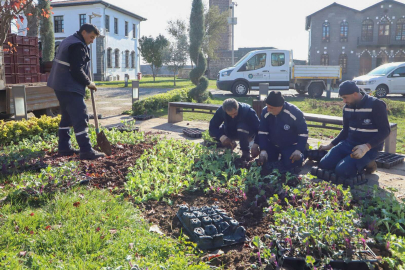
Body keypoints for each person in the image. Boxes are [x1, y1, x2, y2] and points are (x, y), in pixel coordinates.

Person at [47, 24, 105, 160]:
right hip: (69, 86)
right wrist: (89, 83)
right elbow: (76, 70)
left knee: (66, 117)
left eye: (94, 38)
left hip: (59, 85)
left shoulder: (69, 40)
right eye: (91, 37)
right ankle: (86, 150)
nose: (92, 40)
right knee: (80, 116)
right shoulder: (77, 45)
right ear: (83, 32)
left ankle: (64, 147)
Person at [318, 81, 390, 178]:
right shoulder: (347, 108)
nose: (344, 101)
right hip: (348, 144)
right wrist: (330, 145)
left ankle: (368, 163)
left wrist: (366, 147)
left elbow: (385, 131)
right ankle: (347, 160)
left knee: (342, 172)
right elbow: (345, 130)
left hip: (368, 148)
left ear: (355, 94)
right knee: (324, 165)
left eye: (345, 97)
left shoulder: (375, 104)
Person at [257, 91, 308, 170]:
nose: (268, 110)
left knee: (291, 163)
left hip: (290, 145)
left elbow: (303, 133)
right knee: (265, 161)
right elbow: (262, 132)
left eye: (271, 108)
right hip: (273, 144)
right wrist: (263, 149)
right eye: (267, 106)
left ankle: (305, 152)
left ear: (280, 106)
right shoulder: (265, 112)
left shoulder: (295, 113)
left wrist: (299, 149)